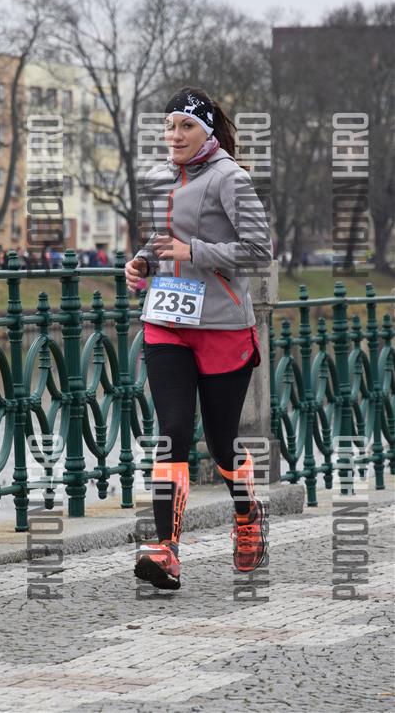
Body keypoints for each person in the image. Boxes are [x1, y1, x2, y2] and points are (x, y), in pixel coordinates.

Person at [125, 86, 273, 590]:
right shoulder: (161, 177)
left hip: (221, 325)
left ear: (207, 132)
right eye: (169, 126)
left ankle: (248, 514)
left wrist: (195, 252)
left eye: (186, 126)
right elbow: (162, 239)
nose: (175, 135)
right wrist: (143, 262)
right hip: (167, 321)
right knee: (172, 429)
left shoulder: (230, 177)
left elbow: (258, 251)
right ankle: (166, 550)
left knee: (221, 441)